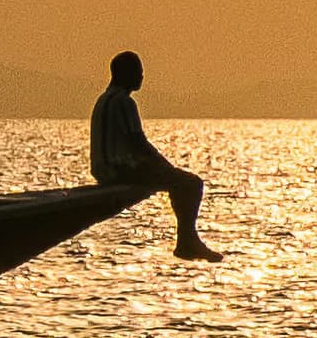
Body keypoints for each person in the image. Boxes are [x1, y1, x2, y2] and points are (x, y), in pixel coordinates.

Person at [90, 51, 221, 260]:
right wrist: (165, 167)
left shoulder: (103, 100)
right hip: (120, 170)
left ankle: (187, 239)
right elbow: (138, 143)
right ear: (125, 74)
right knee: (191, 183)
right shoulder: (124, 102)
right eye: (138, 72)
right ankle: (186, 240)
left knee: (177, 181)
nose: (142, 77)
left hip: (102, 169)